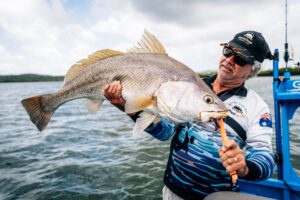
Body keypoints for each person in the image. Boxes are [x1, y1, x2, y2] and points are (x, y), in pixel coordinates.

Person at [103, 31, 275, 199]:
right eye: (228, 51)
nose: (229, 60)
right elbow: (165, 132)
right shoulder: (191, 84)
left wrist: (244, 167)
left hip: (216, 195)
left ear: (252, 69)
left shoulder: (257, 107)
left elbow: (265, 160)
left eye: (240, 59)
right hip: (173, 191)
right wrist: (130, 109)